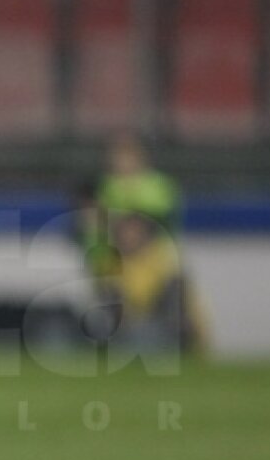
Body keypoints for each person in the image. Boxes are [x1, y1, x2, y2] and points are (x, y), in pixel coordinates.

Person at [75, 133, 208, 353]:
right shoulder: (106, 186)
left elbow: (159, 219)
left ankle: (184, 338)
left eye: (128, 157)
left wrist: (121, 220)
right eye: (118, 157)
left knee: (176, 293)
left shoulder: (159, 185)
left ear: (141, 158)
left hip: (155, 257)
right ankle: (120, 338)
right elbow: (93, 224)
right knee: (112, 294)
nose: (123, 163)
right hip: (116, 257)